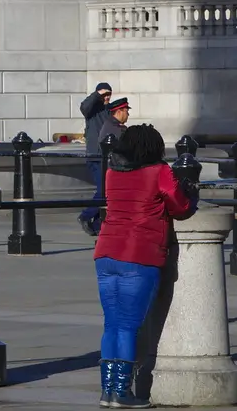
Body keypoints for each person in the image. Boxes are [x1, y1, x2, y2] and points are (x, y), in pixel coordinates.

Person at [93, 123, 196, 409]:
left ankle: (108, 390)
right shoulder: (159, 172)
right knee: (128, 326)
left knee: (111, 324)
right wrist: (189, 191)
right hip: (139, 255)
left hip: (106, 253)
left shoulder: (112, 172)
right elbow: (180, 207)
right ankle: (123, 392)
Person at [78, 82, 113, 235]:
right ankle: (86, 216)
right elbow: (84, 107)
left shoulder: (109, 110)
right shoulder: (92, 110)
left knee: (108, 190)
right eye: (104, 94)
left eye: (109, 94)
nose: (107, 97)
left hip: (107, 157)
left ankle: (98, 224)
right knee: (104, 190)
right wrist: (97, 95)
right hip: (95, 156)